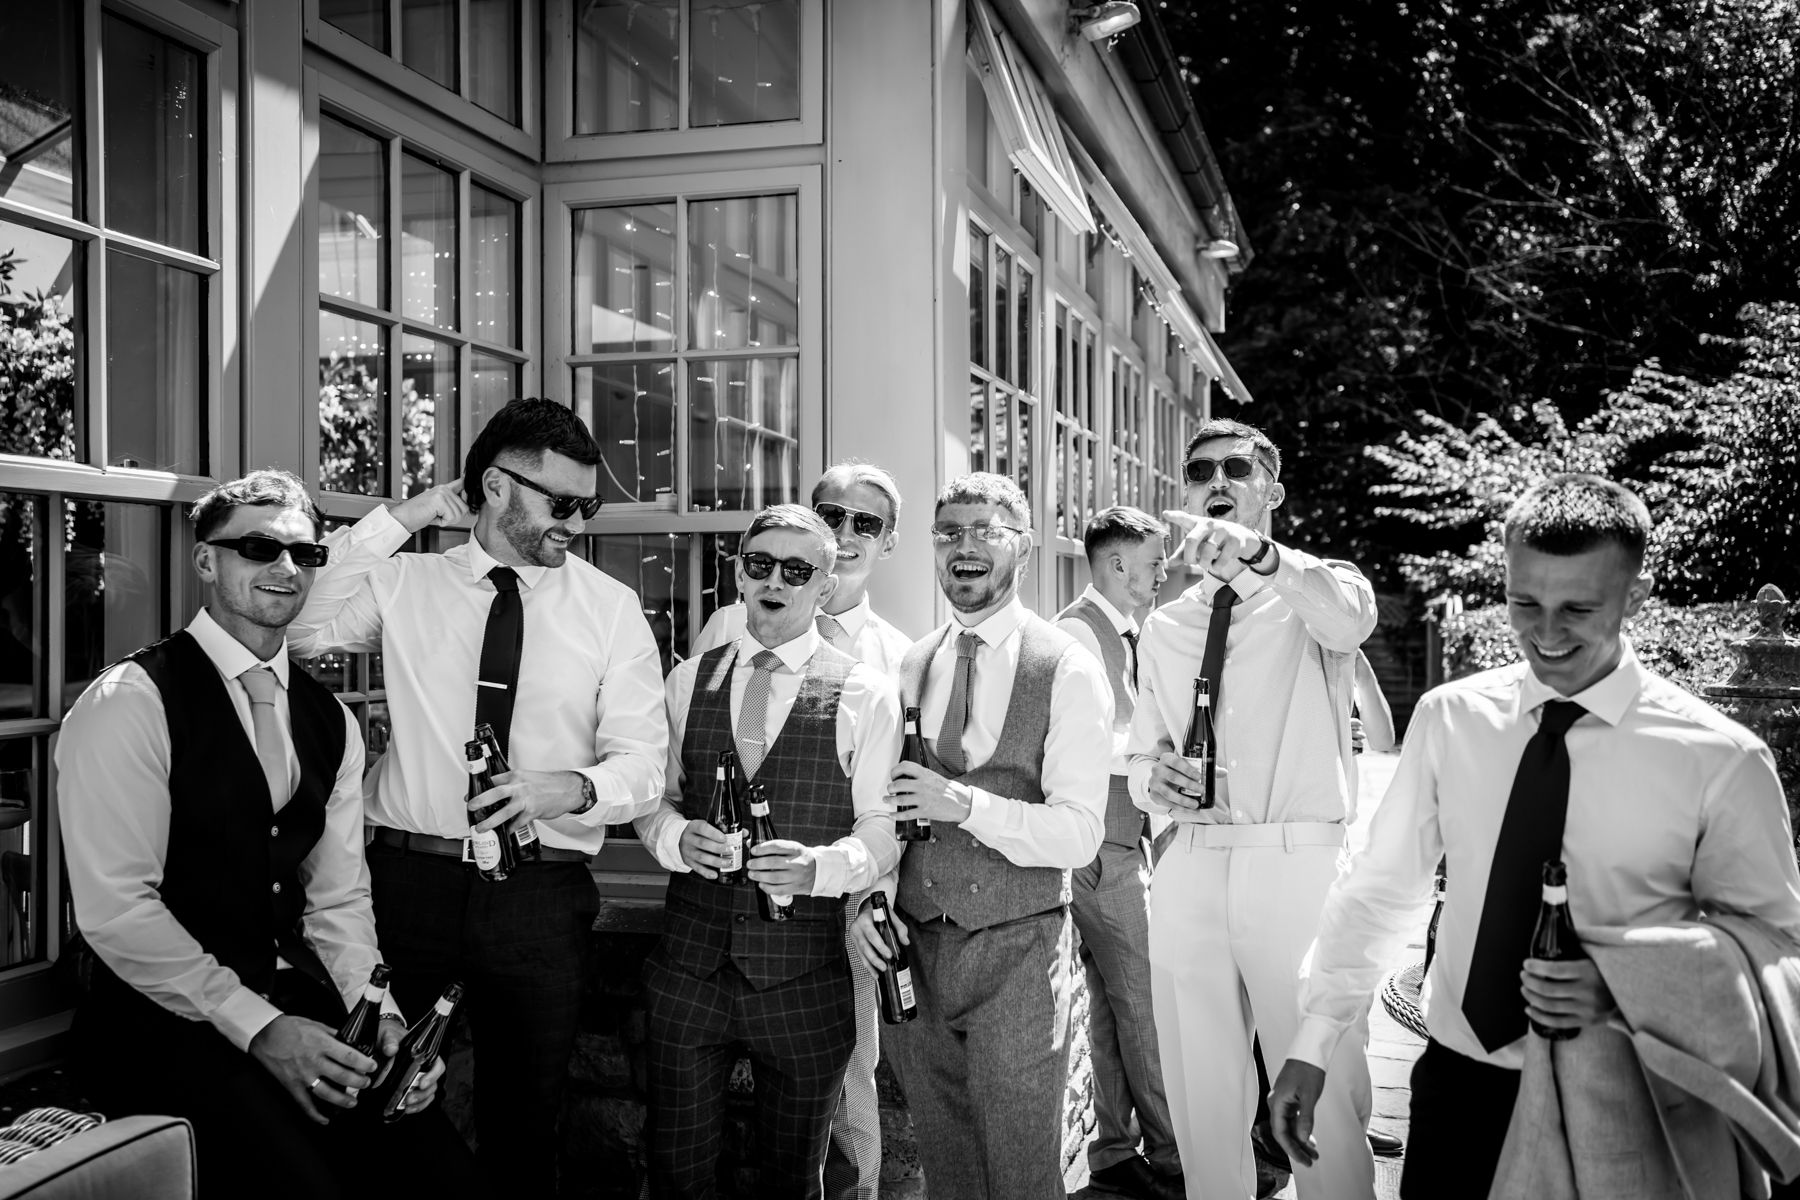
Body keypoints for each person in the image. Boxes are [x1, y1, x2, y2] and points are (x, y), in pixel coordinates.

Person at [1269, 473, 1800, 1199]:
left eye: (1578, 608)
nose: (1546, 634)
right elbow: (1381, 889)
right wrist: (1314, 1041)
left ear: (1636, 596)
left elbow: (1779, 947)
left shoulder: (1722, 759)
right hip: (1457, 1088)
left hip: (1631, 1096)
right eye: (1525, 604)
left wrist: (1629, 983)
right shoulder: (1451, 718)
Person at [58, 470, 475, 1199]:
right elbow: (118, 910)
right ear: (205, 560)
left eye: (305, 554)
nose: (286, 567)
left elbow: (337, 901)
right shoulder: (129, 700)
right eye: (258, 548)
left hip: (290, 1003)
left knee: (444, 1178)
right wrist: (262, 1028)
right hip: (158, 1024)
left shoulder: (331, 721)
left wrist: (382, 1021)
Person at [287, 399, 668, 1195]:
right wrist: (405, 517)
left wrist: (568, 788)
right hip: (408, 887)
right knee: (380, 1101)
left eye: (588, 506)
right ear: (496, 488)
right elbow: (300, 628)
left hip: (540, 896)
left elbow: (643, 767)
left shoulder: (610, 608)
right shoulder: (407, 582)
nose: (576, 523)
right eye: (560, 503)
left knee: (524, 1126)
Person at [1129, 419, 1378, 1200]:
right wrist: (1153, 780)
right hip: (1193, 859)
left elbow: (1352, 620)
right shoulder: (1166, 625)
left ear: (1273, 491)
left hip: (1295, 859)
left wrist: (1263, 559)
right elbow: (1140, 752)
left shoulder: (1315, 591)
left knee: (1323, 1085)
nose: (1217, 481)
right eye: (1200, 470)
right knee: (1199, 1090)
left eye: (1237, 468)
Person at [851, 472, 1113, 1199]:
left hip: (1019, 951)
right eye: (948, 532)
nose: (963, 546)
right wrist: (873, 899)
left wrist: (965, 804)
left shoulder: (1066, 667)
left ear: (1022, 547)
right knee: (949, 1169)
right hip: (916, 953)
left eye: (986, 531)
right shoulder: (912, 662)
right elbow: (889, 809)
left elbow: (1080, 836)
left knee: (1023, 1173)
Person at [634, 504, 903, 1198]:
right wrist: (674, 838)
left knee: (796, 1180)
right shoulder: (687, 681)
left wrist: (822, 868)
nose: (774, 581)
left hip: (805, 978)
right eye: (760, 564)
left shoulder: (866, 692)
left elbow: (883, 827)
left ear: (825, 583)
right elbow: (652, 800)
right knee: (676, 1172)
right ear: (739, 574)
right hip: (689, 971)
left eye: (796, 570)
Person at [1052, 506, 1183, 1200]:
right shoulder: (1078, 632)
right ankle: (1175, 1157)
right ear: (1116, 564)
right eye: (1155, 562)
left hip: (1122, 838)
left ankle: (1110, 1149)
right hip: (1102, 846)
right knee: (1146, 1000)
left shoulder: (1129, 633)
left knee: (1110, 1002)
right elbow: (1090, 741)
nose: (1164, 573)